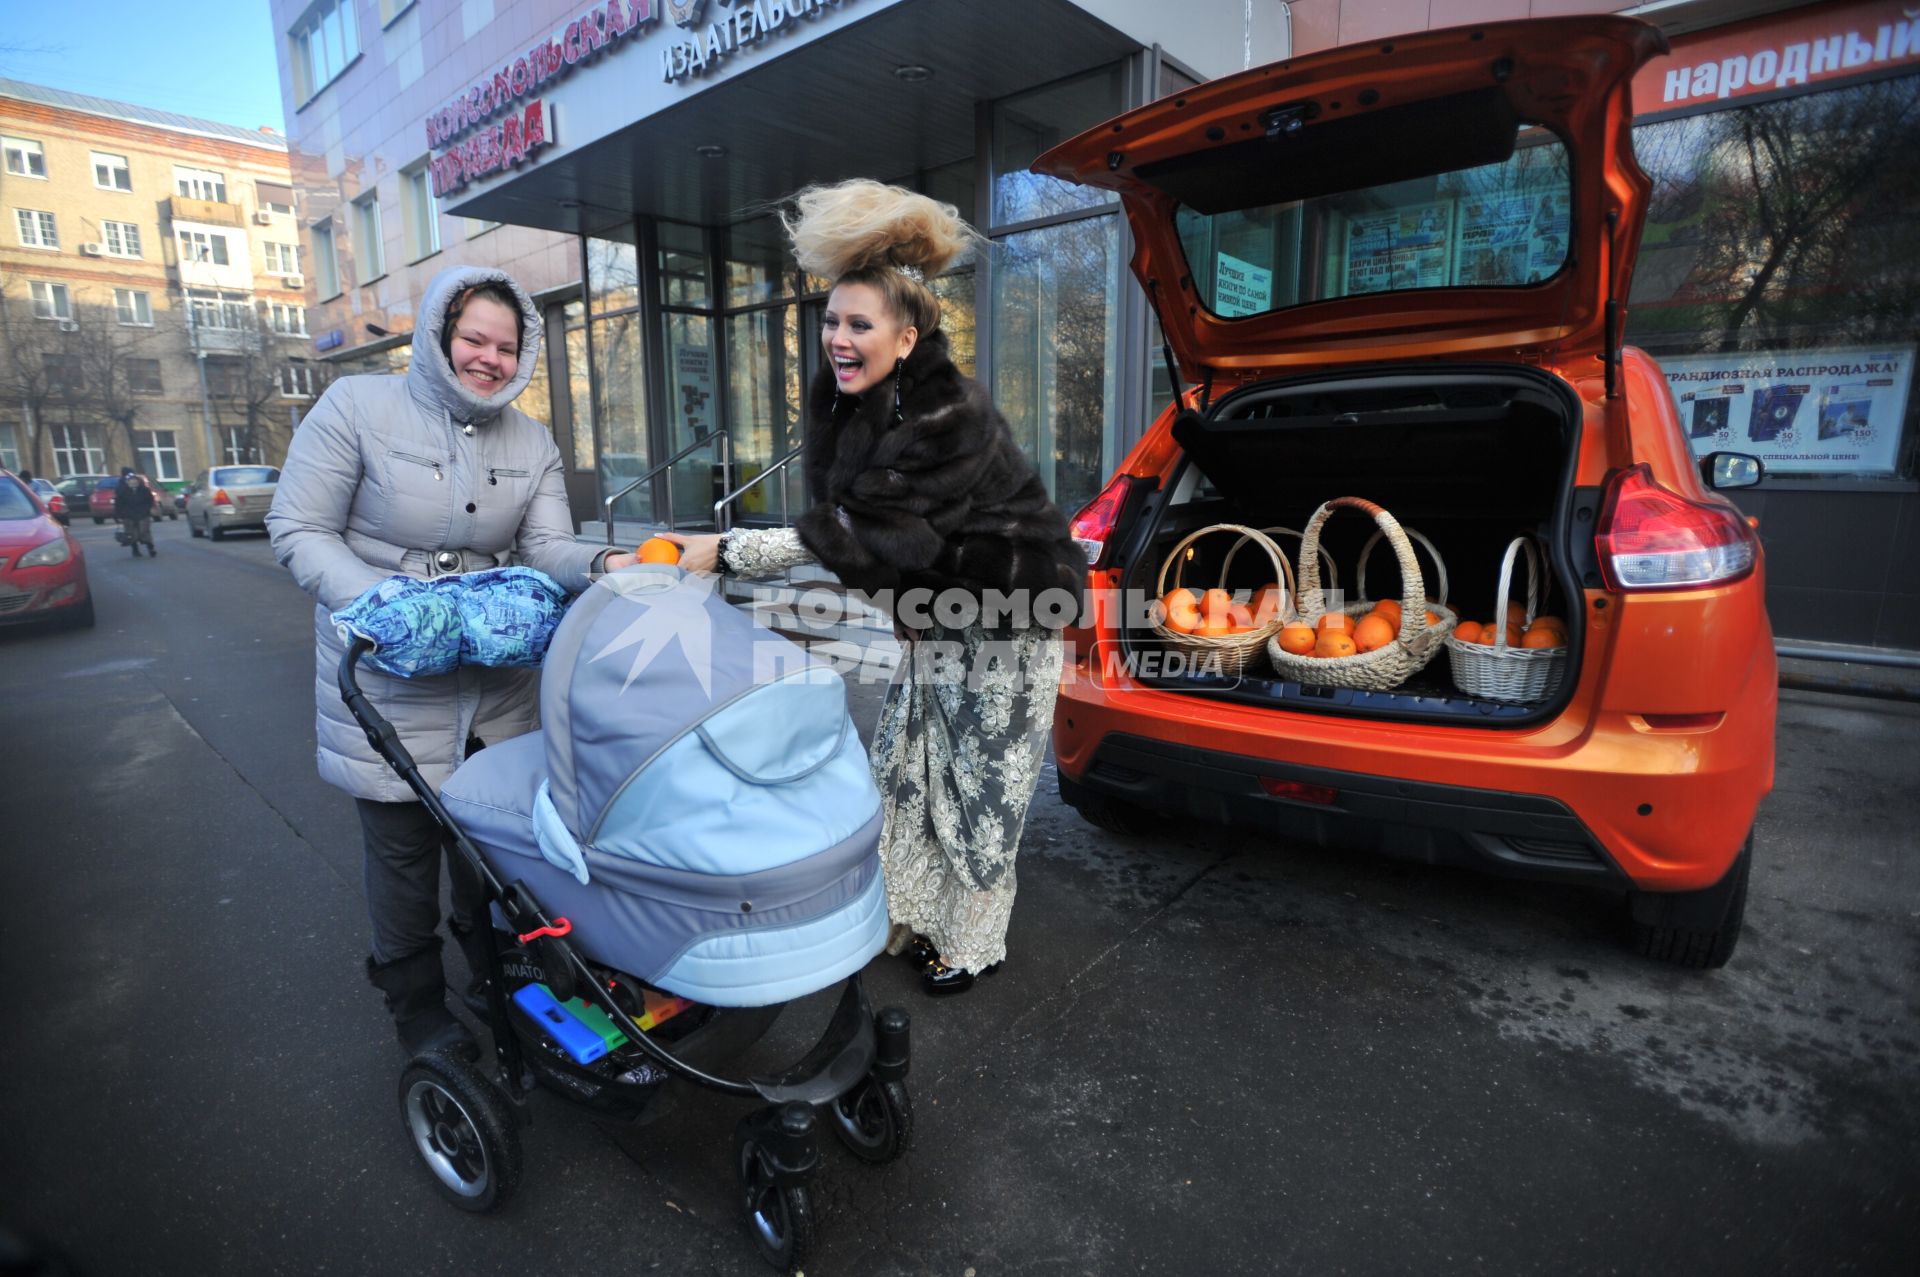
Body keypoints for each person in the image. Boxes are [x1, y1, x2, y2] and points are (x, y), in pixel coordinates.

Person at [668, 180, 1085, 996]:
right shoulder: (856, 402)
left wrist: (724, 551)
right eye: (831, 320)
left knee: (981, 790)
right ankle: (907, 910)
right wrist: (909, 610)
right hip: (944, 613)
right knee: (908, 765)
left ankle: (971, 941)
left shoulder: (949, 414)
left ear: (906, 336)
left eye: (859, 324)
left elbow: (864, 529)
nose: (838, 338)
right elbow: (891, 541)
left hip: (1012, 615)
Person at [268, 266, 638, 1057]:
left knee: (495, 848)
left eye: (506, 347)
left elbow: (544, 549)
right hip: (388, 680)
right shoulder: (357, 408)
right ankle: (418, 1010)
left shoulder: (531, 439)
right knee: (404, 857)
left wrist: (613, 563)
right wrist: (386, 605)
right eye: (475, 338)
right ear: (441, 335)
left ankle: (498, 973)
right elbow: (299, 528)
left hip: (499, 691)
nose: (490, 359)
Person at [113, 468, 156, 557]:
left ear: (138, 481)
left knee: (144, 532)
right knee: (132, 534)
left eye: (135, 481)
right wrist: (118, 515)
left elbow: (150, 501)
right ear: (127, 482)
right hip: (129, 516)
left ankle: (150, 548)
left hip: (143, 515)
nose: (133, 482)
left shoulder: (144, 490)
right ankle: (135, 550)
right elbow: (118, 504)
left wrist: (147, 509)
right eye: (131, 481)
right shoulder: (123, 492)